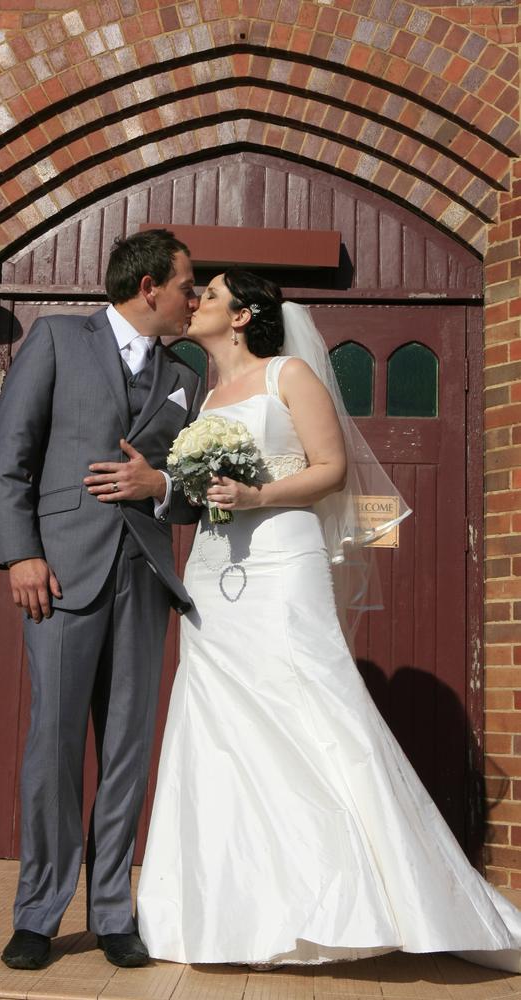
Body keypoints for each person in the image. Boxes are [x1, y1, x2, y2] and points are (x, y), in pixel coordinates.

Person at [136, 268, 521, 972]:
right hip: (214, 572)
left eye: (210, 295)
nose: (195, 304)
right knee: (219, 726)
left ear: (245, 314)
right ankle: (235, 912)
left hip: (282, 562)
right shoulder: (201, 392)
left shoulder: (290, 376)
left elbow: (332, 469)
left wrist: (258, 495)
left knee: (313, 709)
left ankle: (368, 899)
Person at [0, 229, 202, 971]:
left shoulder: (185, 377)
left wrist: (161, 487)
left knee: (127, 751)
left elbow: (190, 495)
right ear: (149, 288)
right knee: (52, 745)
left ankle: (112, 909)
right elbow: (10, 454)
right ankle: (38, 912)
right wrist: (21, 553)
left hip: (142, 582)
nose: (193, 297)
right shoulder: (55, 341)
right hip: (59, 576)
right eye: (186, 284)